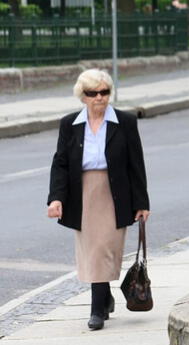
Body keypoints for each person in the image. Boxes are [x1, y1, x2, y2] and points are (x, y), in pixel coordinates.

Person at [47, 69, 150, 331]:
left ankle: (100, 303)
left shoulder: (124, 122)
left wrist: (142, 202)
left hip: (114, 192)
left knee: (105, 249)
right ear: (83, 96)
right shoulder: (70, 124)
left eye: (104, 92)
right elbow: (60, 163)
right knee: (93, 251)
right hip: (83, 193)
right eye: (93, 93)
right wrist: (56, 199)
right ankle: (100, 304)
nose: (99, 98)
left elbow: (135, 164)